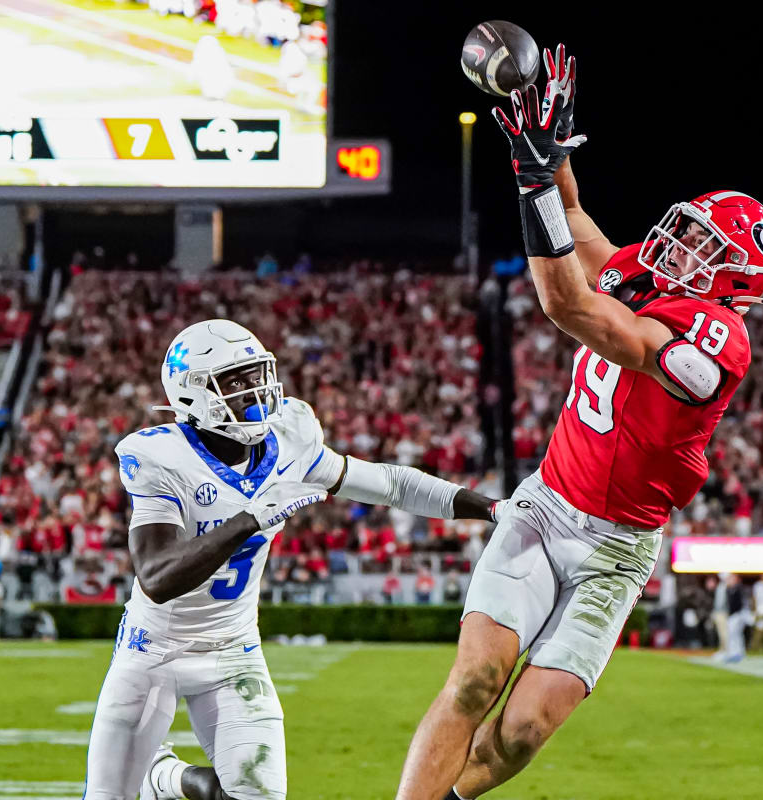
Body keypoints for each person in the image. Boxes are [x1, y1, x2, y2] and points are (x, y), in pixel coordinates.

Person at [395, 43, 763, 800]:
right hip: (547, 508)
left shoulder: (718, 343)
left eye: (708, 245)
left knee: (524, 730)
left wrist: (532, 178)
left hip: (618, 548)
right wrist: (551, 150)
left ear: (733, 279)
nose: (685, 243)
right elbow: (572, 218)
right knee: (476, 679)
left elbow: (569, 304)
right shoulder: (649, 271)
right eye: (695, 229)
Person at [84, 320, 502, 800]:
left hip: (232, 649)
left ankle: (175, 781)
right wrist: (247, 519)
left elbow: (391, 484)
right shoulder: (160, 456)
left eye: (256, 374)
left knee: (257, 795)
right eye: (234, 381)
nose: (255, 391)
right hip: (152, 650)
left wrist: (491, 509)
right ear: (193, 394)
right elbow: (156, 577)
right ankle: (162, 779)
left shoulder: (289, 439)